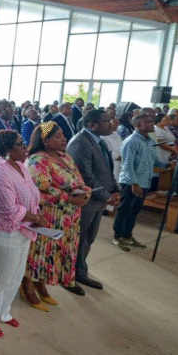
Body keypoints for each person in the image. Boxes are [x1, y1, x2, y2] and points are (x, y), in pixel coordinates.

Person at [0, 130, 45, 337]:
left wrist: (34, 215)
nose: (25, 147)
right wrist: (35, 218)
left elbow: (32, 194)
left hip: (22, 230)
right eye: (19, 144)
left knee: (14, 275)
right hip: (1, 232)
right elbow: (6, 211)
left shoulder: (21, 167)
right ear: (7, 149)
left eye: (24, 143)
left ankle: (3, 312)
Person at [21, 122, 90, 311]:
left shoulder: (65, 157)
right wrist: (69, 198)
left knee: (53, 253)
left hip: (69, 216)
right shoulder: (37, 160)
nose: (64, 139)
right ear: (45, 140)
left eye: (63, 135)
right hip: (49, 215)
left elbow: (78, 179)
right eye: (58, 136)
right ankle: (27, 284)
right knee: (39, 251)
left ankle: (40, 282)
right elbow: (41, 190)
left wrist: (85, 192)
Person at [66, 110, 120, 291]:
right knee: (79, 240)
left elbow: (107, 169)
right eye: (106, 121)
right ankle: (70, 276)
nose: (110, 124)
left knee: (88, 239)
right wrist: (107, 196)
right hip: (86, 200)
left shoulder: (98, 140)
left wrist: (115, 190)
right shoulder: (80, 143)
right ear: (92, 125)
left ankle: (80, 270)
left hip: (97, 200)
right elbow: (86, 177)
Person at [113, 110, 165, 251]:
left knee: (135, 211)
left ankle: (128, 235)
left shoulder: (150, 140)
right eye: (148, 122)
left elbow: (154, 160)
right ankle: (118, 236)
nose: (152, 124)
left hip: (144, 181)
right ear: (137, 124)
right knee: (124, 209)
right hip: (131, 182)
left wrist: (165, 165)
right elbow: (128, 165)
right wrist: (134, 183)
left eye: (152, 121)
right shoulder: (131, 141)